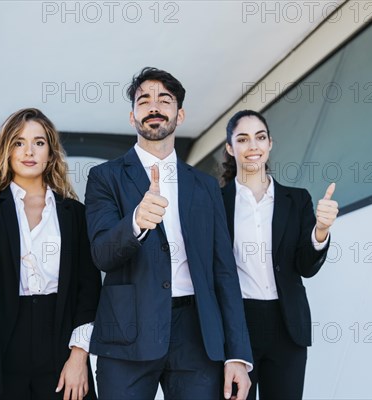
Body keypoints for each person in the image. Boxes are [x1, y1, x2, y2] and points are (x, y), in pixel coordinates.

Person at [84, 67, 253, 400]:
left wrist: (238, 354)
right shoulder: (104, 177)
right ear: (133, 116)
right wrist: (135, 223)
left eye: (165, 99)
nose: (154, 106)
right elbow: (102, 254)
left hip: (197, 335)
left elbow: (224, 271)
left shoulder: (205, 186)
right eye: (144, 100)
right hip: (126, 334)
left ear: (180, 113)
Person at [0, 108, 101, 400]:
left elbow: (89, 290)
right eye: (19, 142)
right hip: (3, 338)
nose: (29, 151)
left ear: (51, 153)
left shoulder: (74, 214)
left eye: (39, 142)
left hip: (60, 335)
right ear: (6, 150)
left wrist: (78, 357)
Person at [221, 109, 339, 399]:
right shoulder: (216, 202)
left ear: (270, 143)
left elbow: (305, 266)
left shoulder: (296, 200)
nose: (253, 147)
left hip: (288, 326)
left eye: (260, 138)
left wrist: (321, 230)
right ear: (229, 148)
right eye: (243, 139)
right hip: (238, 326)